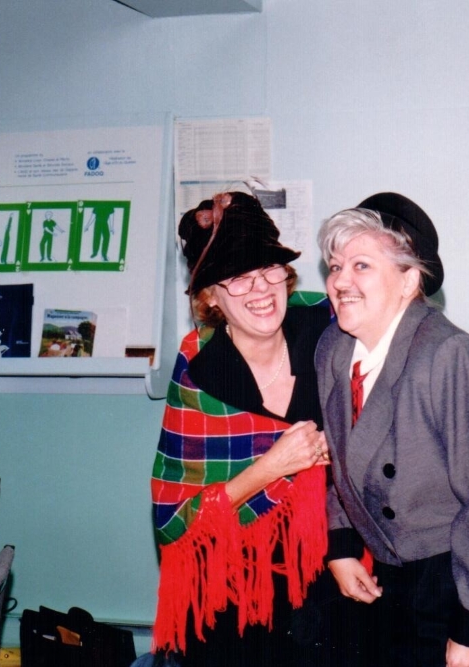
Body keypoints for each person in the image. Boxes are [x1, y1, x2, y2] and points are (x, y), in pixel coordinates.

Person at [315, 193, 469, 667]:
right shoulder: (334, 349)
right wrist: (341, 546)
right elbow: (337, 459)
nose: (340, 281)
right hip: (398, 574)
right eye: (335, 265)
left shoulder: (450, 357)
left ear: (409, 281)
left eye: (361, 266)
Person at [151, 192, 337, 666]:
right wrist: (275, 466)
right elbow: (176, 523)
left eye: (268, 269)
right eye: (237, 278)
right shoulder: (201, 370)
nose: (260, 289)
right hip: (234, 590)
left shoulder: (328, 327)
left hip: (332, 575)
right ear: (210, 296)